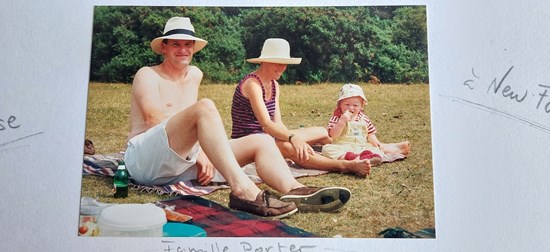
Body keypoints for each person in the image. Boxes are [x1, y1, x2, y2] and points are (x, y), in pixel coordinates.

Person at [124, 17, 351, 218]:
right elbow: (154, 120)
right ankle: (243, 190)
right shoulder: (147, 74)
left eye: (187, 44)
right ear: (164, 47)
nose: (183, 49)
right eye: (176, 44)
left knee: (261, 140)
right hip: (146, 163)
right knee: (205, 107)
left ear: (194, 48)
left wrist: (202, 152)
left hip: (179, 166)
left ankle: (295, 190)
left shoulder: (194, 74)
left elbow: (188, 126)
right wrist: (199, 151)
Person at [231, 38, 372, 177]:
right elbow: (266, 124)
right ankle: (344, 165)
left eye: (285, 64)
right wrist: (293, 139)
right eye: (278, 63)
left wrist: (290, 138)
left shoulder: (274, 85)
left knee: (322, 132)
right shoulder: (252, 84)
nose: (283, 68)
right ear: (265, 61)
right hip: (250, 141)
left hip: (269, 136)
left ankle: (353, 150)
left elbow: (277, 122)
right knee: (289, 147)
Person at [322, 84, 411, 163]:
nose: (351, 107)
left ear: (361, 106)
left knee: (376, 149)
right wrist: (342, 121)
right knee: (327, 149)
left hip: (361, 147)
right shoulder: (337, 118)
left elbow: (370, 134)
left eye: (355, 105)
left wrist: (376, 143)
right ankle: (350, 157)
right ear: (339, 105)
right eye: (347, 104)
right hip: (342, 147)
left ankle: (369, 158)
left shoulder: (364, 119)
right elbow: (333, 135)